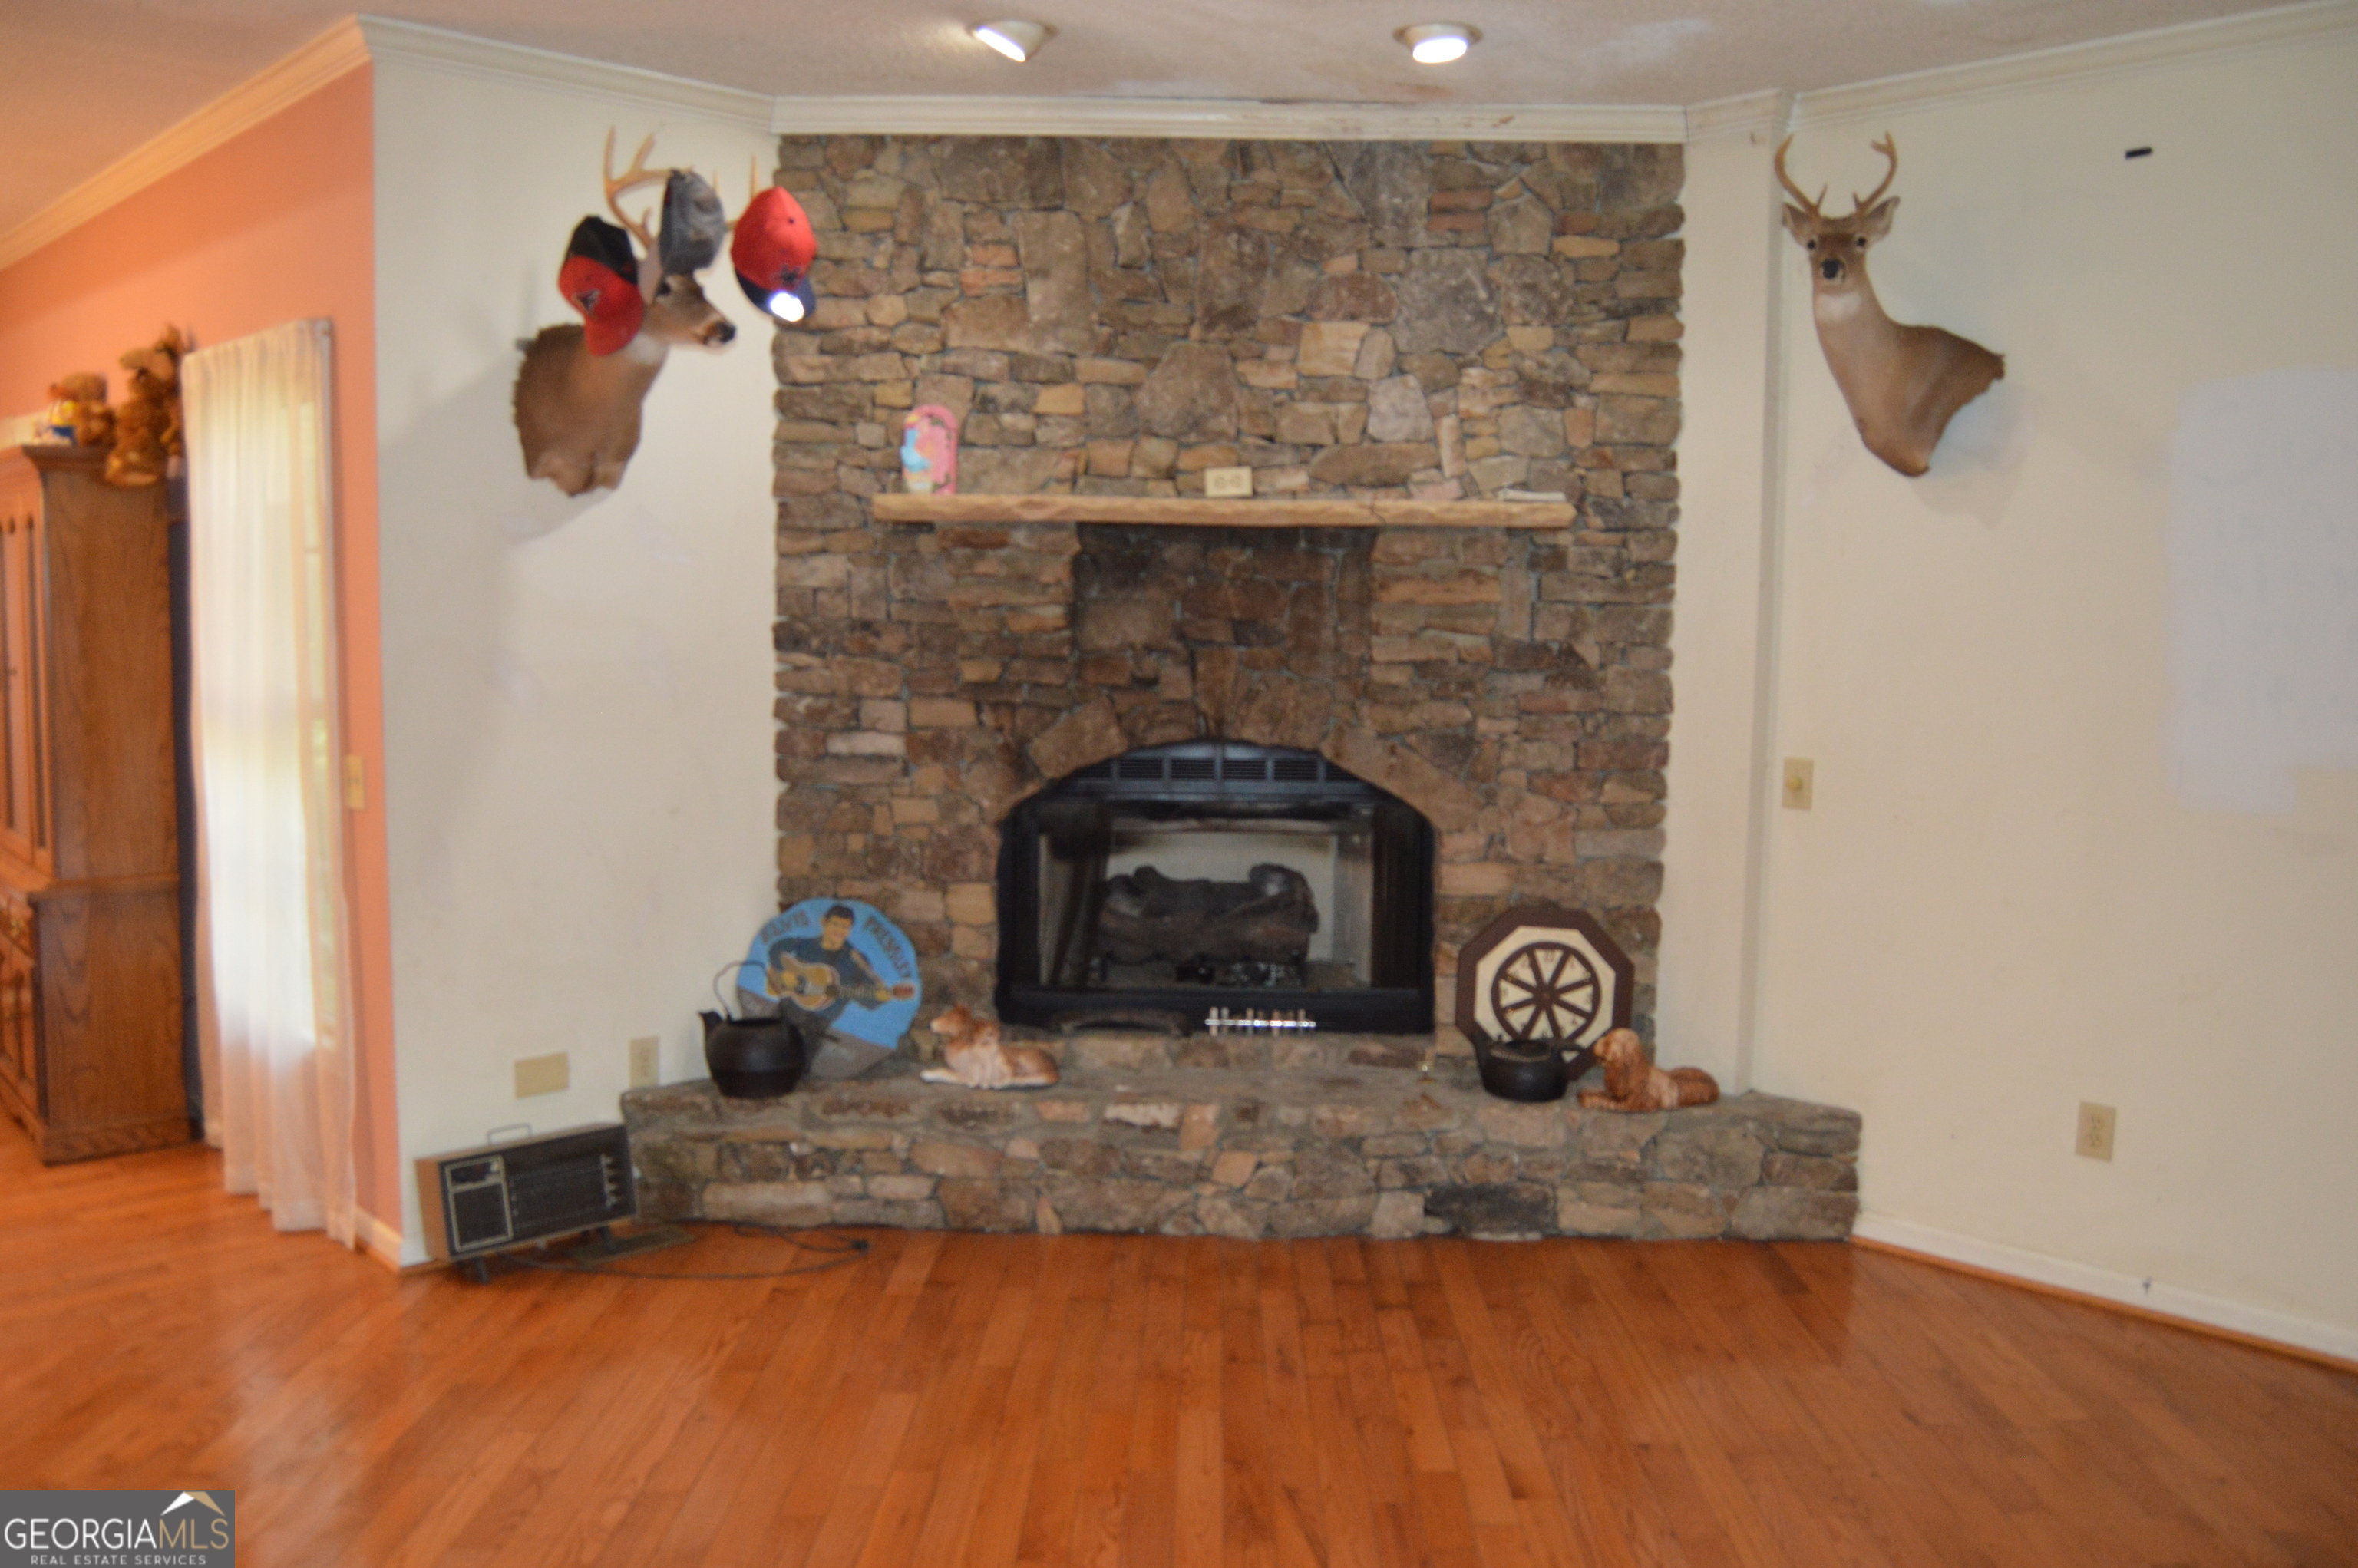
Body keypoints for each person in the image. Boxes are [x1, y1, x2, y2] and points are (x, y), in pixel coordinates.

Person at [766, 905, 914, 1028]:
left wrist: (883, 996)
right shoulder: (804, 945)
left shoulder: (856, 960)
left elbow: (865, 998)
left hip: (819, 1023)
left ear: (850, 929)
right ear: (824, 922)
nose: (839, 931)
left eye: (845, 926)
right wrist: (783, 972)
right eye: (835, 924)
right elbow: (775, 949)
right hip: (786, 1012)